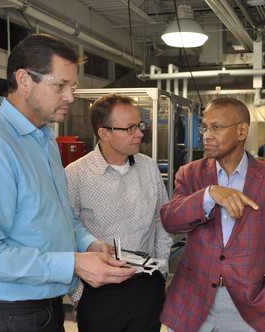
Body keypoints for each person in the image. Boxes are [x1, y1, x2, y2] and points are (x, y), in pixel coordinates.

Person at [0, 34, 135, 332]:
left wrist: (89, 244)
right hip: (4, 317)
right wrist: (73, 263)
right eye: (60, 85)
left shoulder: (43, 139)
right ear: (24, 79)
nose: (70, 97)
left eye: (72, 87)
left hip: (42, 309)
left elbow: (58, 216)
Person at [160, 97, 265, 331]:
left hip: (248, 305)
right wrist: (209, 195)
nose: (207, 135)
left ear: (242, 130)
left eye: (217, 127)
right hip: (193, 300)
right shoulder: (190, 174)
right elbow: (170, 221)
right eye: (205, 127)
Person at [65, 93, 173, 332]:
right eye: (130, 128)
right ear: (104, 133)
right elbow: (65, 233)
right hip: (99, 290)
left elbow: (161, 222)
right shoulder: (75, 175)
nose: (140, 133)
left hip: (147, 286)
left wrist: (161, 273)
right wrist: (79, 293)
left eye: (140, 125)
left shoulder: (148, 167)